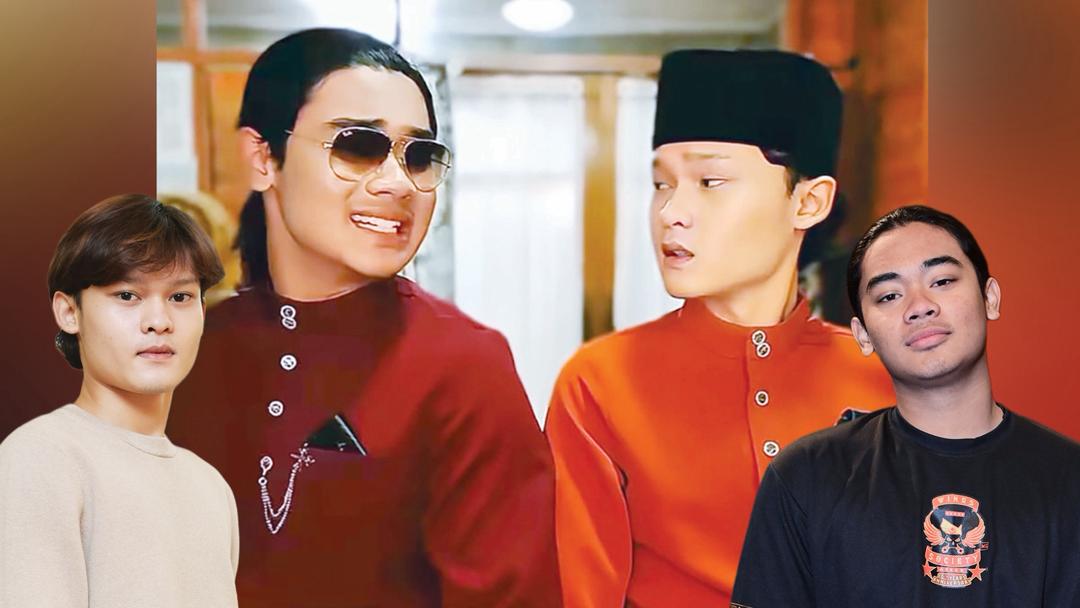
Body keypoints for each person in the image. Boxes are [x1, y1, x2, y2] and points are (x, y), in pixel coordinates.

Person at [166, 28, 560, 607]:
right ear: (263, 157)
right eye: (356, 145)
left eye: (419, 156)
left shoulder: (463, 364)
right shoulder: (187, 351)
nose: (398, 183)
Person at [545, 49, 894, 606]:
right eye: (661, 184)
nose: (670, 213)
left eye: (710, 181)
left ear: (808, 202)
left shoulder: (891, 377)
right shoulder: (599, 383)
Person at [731, 205, 1080, 606]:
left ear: (990, 298)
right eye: (890, 295)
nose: (920, 306)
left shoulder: (1069, 479)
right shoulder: (804, 477)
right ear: (862, 334)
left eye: (942, 280)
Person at [0, 194, 235, 607]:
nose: (159, 322)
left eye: (180, 297)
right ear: (69, 312)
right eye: (127, 295)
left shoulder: (210, 487)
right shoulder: (40, 460)